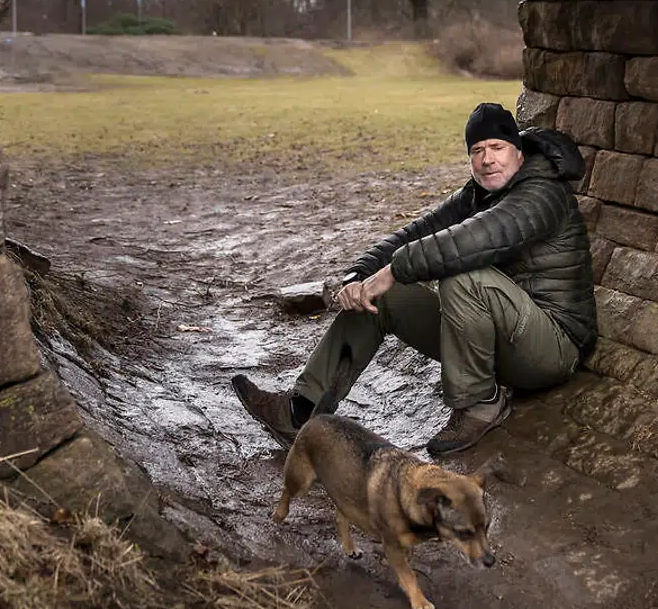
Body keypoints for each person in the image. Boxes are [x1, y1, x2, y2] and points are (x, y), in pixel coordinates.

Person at [231, 102, 598, 456]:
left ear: (517, 150)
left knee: (462, 275)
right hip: (496, 340)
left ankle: (480, 404)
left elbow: (477, 238)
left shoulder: (544, 191)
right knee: (386, 297)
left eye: (498, 147)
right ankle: (301, 412)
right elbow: (416, 234)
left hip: (551, 348)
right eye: (478, 150)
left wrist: (393, 271)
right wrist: (361, 275)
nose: (487, 159)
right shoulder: (477, 193)